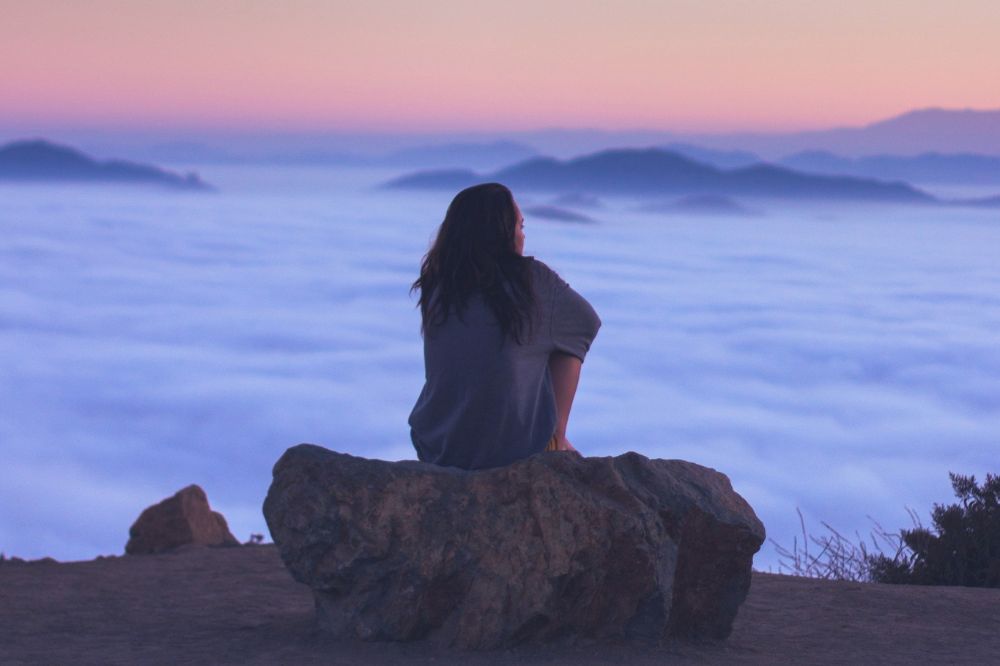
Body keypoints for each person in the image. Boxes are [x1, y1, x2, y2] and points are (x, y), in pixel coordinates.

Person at [408, 182, 601, 470]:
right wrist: (557, 433)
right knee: (564, 340)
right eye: (520, 227)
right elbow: (587, 321)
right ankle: (556, 435)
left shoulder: (439, 284)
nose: (523, 236)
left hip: (437, 445)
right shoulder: (532, 282)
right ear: (501, 232)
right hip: (509, 454)